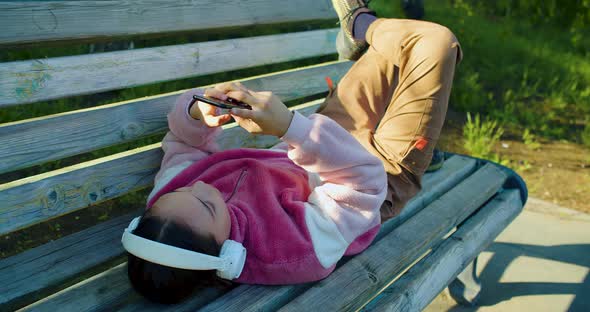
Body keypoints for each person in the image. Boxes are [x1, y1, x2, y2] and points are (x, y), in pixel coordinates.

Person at [123, 0, 462, 304]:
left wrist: (199, 113)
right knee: (435, 43)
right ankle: (359, 25)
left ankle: (360, 28)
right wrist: (288, 126)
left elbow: (183, 144)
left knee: (394, 49)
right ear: (226, 251)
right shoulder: (293, 249)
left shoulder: (172, 204)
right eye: (208, 204)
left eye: (182, 189)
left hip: (320, 138)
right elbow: (363, 184)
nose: (200, 185)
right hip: (378, 174)